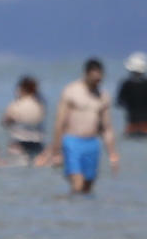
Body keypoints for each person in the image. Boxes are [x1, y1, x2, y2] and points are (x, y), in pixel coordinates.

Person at [39, 58, 120, 194]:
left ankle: (85, 213)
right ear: (86, 74)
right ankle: (70, 212)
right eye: (94, 79)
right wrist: (56, 150)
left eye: (99, 80)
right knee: (77, 184)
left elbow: (106, 128)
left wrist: (112, 154)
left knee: (88, 187)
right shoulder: (71, 91)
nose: (96, 82)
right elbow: (60, 122)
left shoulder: (103, 96)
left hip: (92, 143)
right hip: (72, 141)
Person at [2, 76, 46, 162]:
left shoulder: (16, 105)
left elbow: (5, 122)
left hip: (19, 144)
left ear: (22, 89)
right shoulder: (40, 105)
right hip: (37, 143)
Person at [117, 51, 147, 137]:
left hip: (132, 122)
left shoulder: (126, 84)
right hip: (144, 123)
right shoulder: (145, 84)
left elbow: (119, 101)